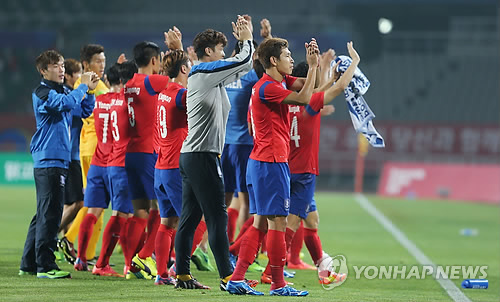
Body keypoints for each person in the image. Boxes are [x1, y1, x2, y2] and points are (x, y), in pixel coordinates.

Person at [227, 36, 323, 296]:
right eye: (287, 55)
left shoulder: (278, 81)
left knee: (260, 223)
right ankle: (279, 284)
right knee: (277, 223)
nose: (292, 59)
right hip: (271, 161)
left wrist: (316, 67)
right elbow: (304, 99)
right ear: (273, 60)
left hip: (261, 161)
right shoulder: (268, 86)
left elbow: (311, 87)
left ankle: (236, 278)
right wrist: (313, 66)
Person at [174, 15, 254, 290]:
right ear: (209, 52)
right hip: (202, 155)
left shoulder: (209, 77)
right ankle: (228, 277)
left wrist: (245, 46)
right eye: (220, 49)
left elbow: (240, 67)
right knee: (217, 216)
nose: (223, 53)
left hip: (195, 154)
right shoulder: (203, 73)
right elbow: (243, 61)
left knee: (190, 218)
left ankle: (183, 275)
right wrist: (246, 39)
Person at [19, 49, 98, 279]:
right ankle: (45, 266)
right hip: (48, 159)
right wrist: (82, 87)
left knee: (44, 213)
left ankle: (28, 263)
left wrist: (89, 92)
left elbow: (83, 110)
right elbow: (65, 104)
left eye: (62, 65)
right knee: (51, 214)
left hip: (58, 159)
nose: (61, 69)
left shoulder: (64, 90)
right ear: (44, 71)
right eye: (56, 66)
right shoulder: (42, 92)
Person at [286, 45, 359, 285]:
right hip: (304, 172)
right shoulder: (312, 103)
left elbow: (320, 88)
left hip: (284, 167)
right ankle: (273, 268)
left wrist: (326, 68)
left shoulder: (285, 100)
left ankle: (323, 271)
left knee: (311, 220)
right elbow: (337, 88)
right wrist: (354, 63)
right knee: (292, 223)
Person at [74, 64, 130, 278]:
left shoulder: (99, 100)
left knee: (93, 212)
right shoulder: (126, 101)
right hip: (118, 163)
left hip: (98, 162)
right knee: (121, 214)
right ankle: (106, 263)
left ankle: (81, 258)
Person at [59, 44, 109, 265]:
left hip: (96, 147)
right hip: (93, 148)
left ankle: (86, 254)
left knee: (99, 201)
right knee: (93, 200)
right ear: (86, 64)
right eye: (98, 60)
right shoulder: (86, 85)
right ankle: (68, 240)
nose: (102, 63)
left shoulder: (97, 83)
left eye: (103, 59)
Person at [125, 41, 170, 279]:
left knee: (140, 211)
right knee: (164, 210)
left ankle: (130, 265)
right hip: (148, 152)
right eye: (160, 59)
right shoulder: (152, 82)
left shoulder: (130, 83)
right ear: (154, 60)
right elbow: (180, 82)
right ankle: (144, 256)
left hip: (130, 153)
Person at [56, 58, 83, 264]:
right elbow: (80, 111)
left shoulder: (70, 96)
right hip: (72, 156)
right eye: (78, 74)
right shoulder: (69, 97)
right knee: (79, 203)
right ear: (69, 77)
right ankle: (53, 238)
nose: (81, 77)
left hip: (70, 156)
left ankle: (65, 246)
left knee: (68, 204)